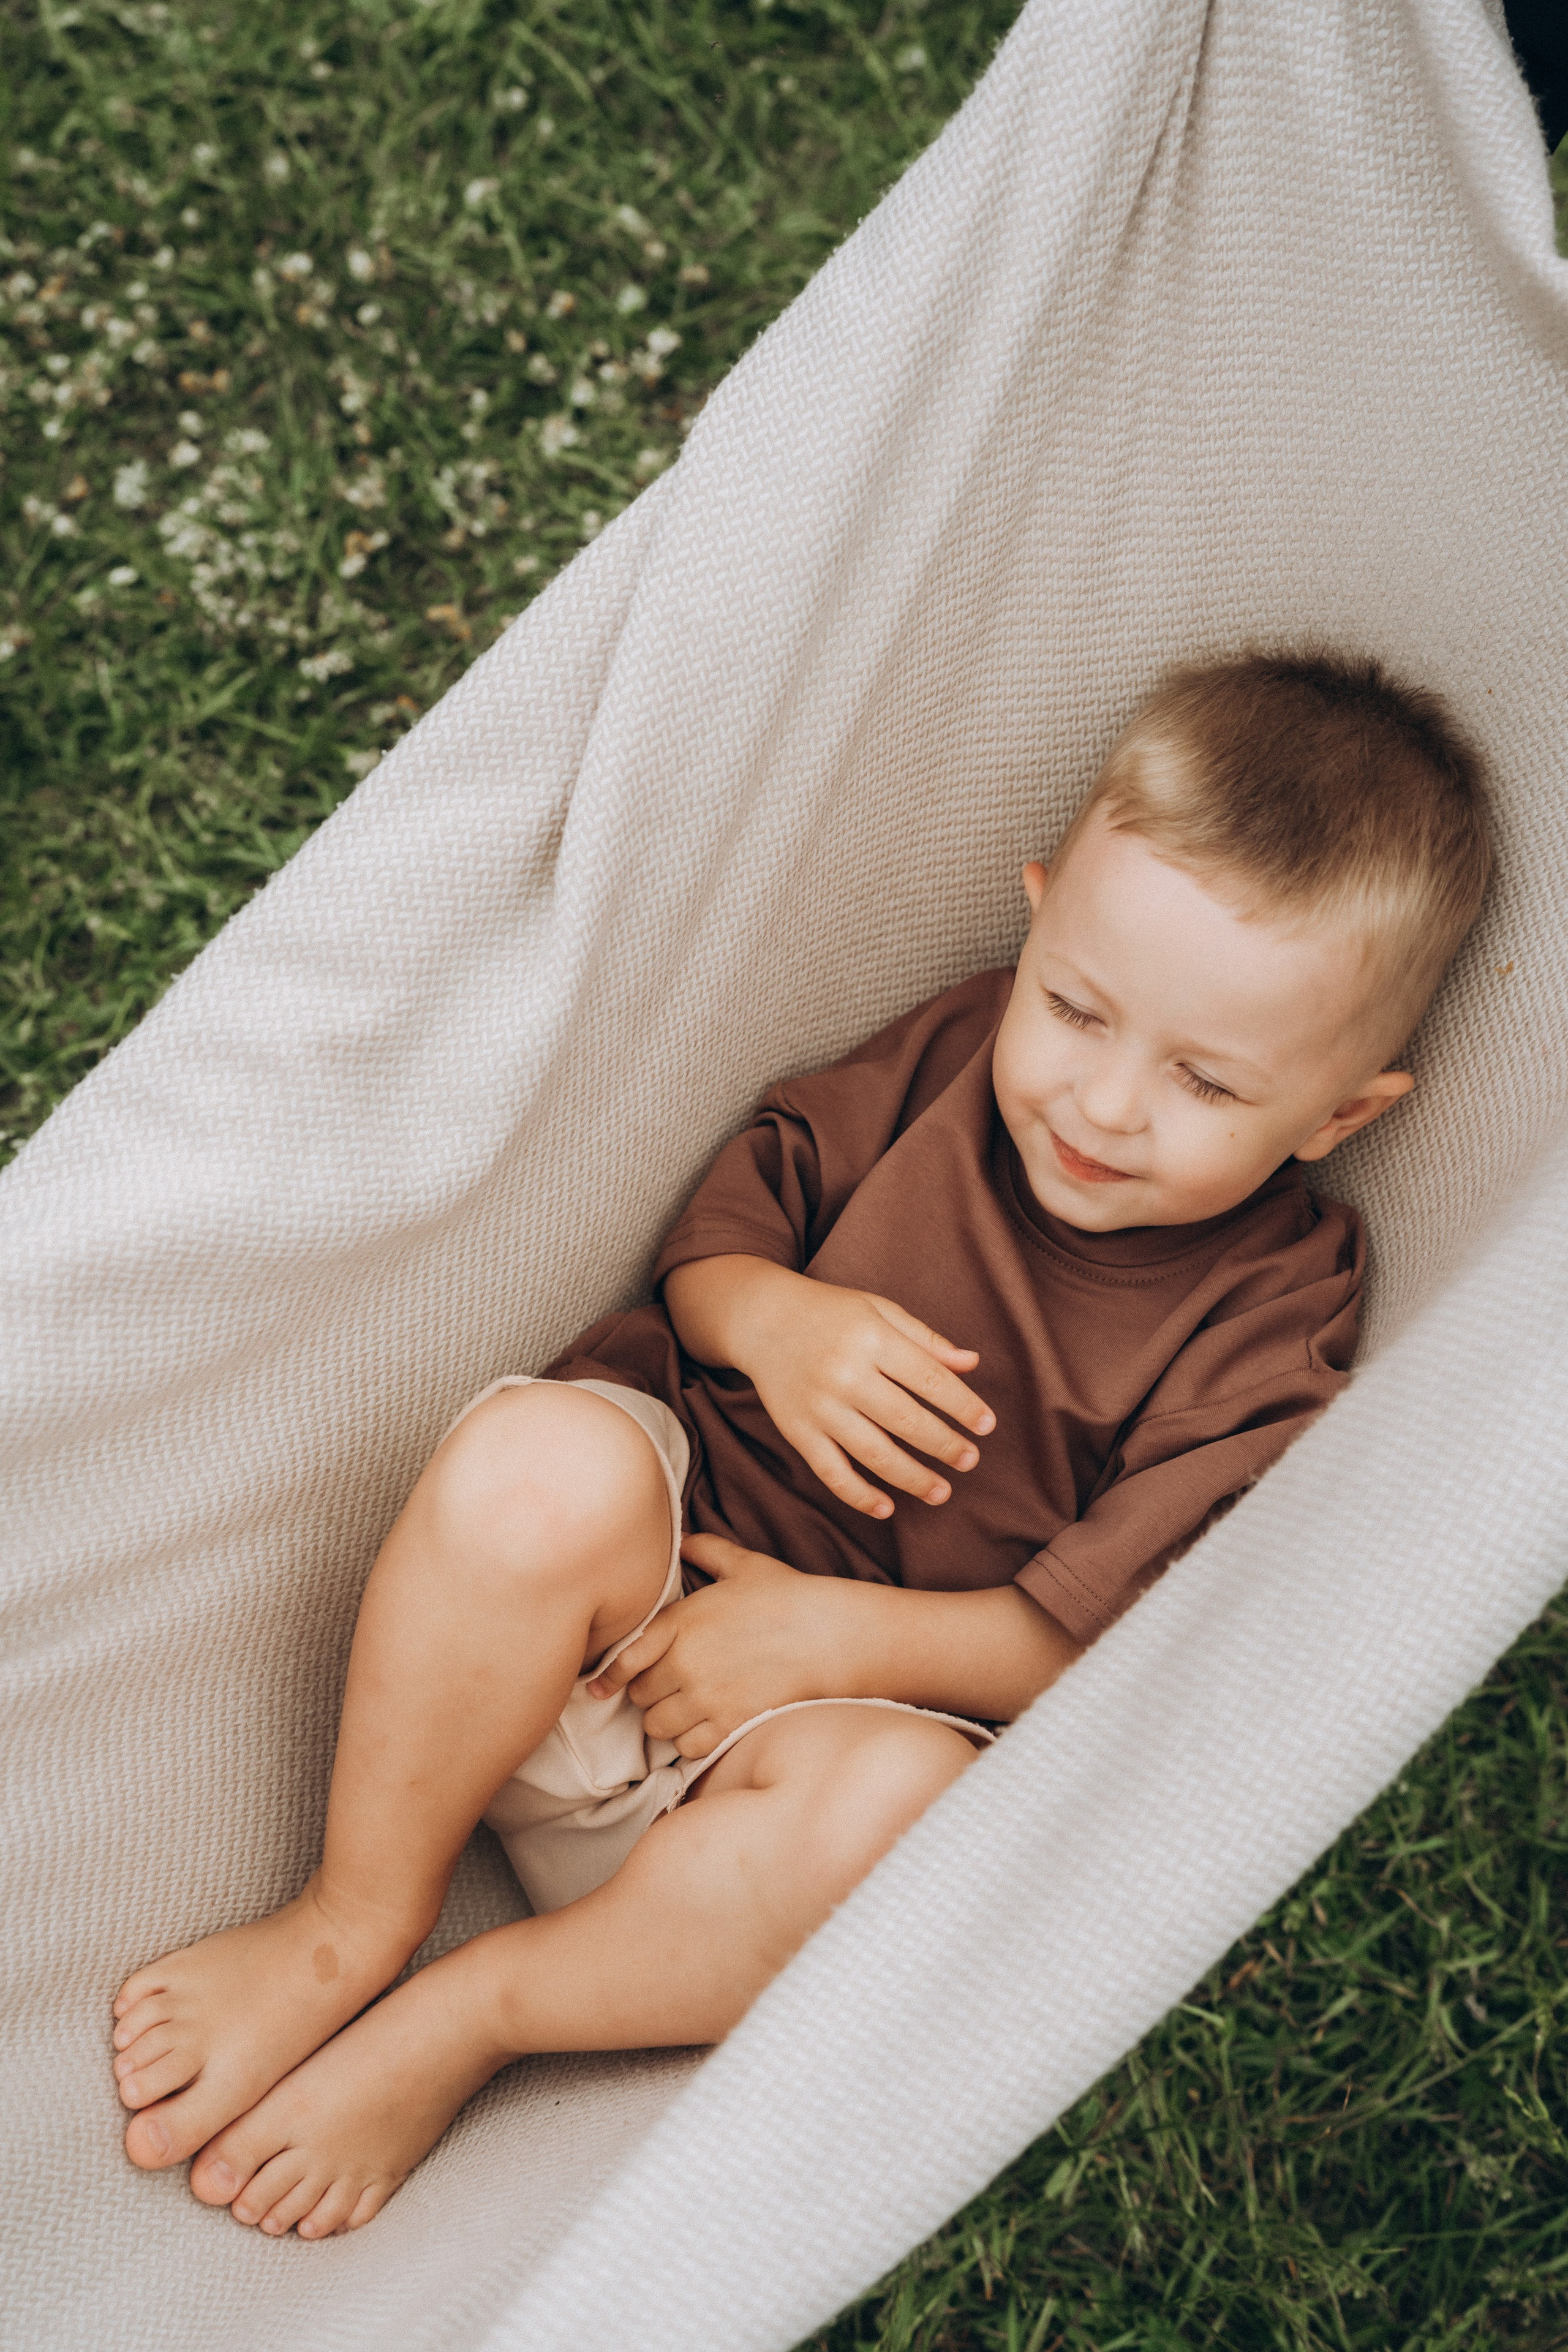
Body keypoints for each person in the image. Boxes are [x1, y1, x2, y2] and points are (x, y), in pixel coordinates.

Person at [108, 649, 1490, 2241]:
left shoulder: (1276, 1313)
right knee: (528, 1469)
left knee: (892, 1826)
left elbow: (1129, 1647)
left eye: (1204, 1080)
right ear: (1038, 916)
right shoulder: (959, 1057)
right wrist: (771, 1318)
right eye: (1079, 1008)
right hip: (614, 1613)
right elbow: (719, 1234)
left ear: (1340, 1115)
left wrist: (830, 1635)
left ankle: (471, 2013)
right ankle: (353, 1919)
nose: (1104, 1103)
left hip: (783, 1790)